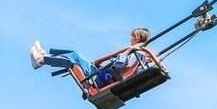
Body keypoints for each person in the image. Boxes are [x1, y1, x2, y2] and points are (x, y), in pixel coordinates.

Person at [30, 29, 162, 85]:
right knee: (74, 55)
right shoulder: (142, 55)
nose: (130, 39)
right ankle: (45, 55)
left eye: (133, 36)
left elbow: (119, 64)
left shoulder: (136, 53)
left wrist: (127, 51)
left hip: (101, 77)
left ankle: (42, 60)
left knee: (73, 60)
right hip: (105, 74)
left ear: (138, 38)